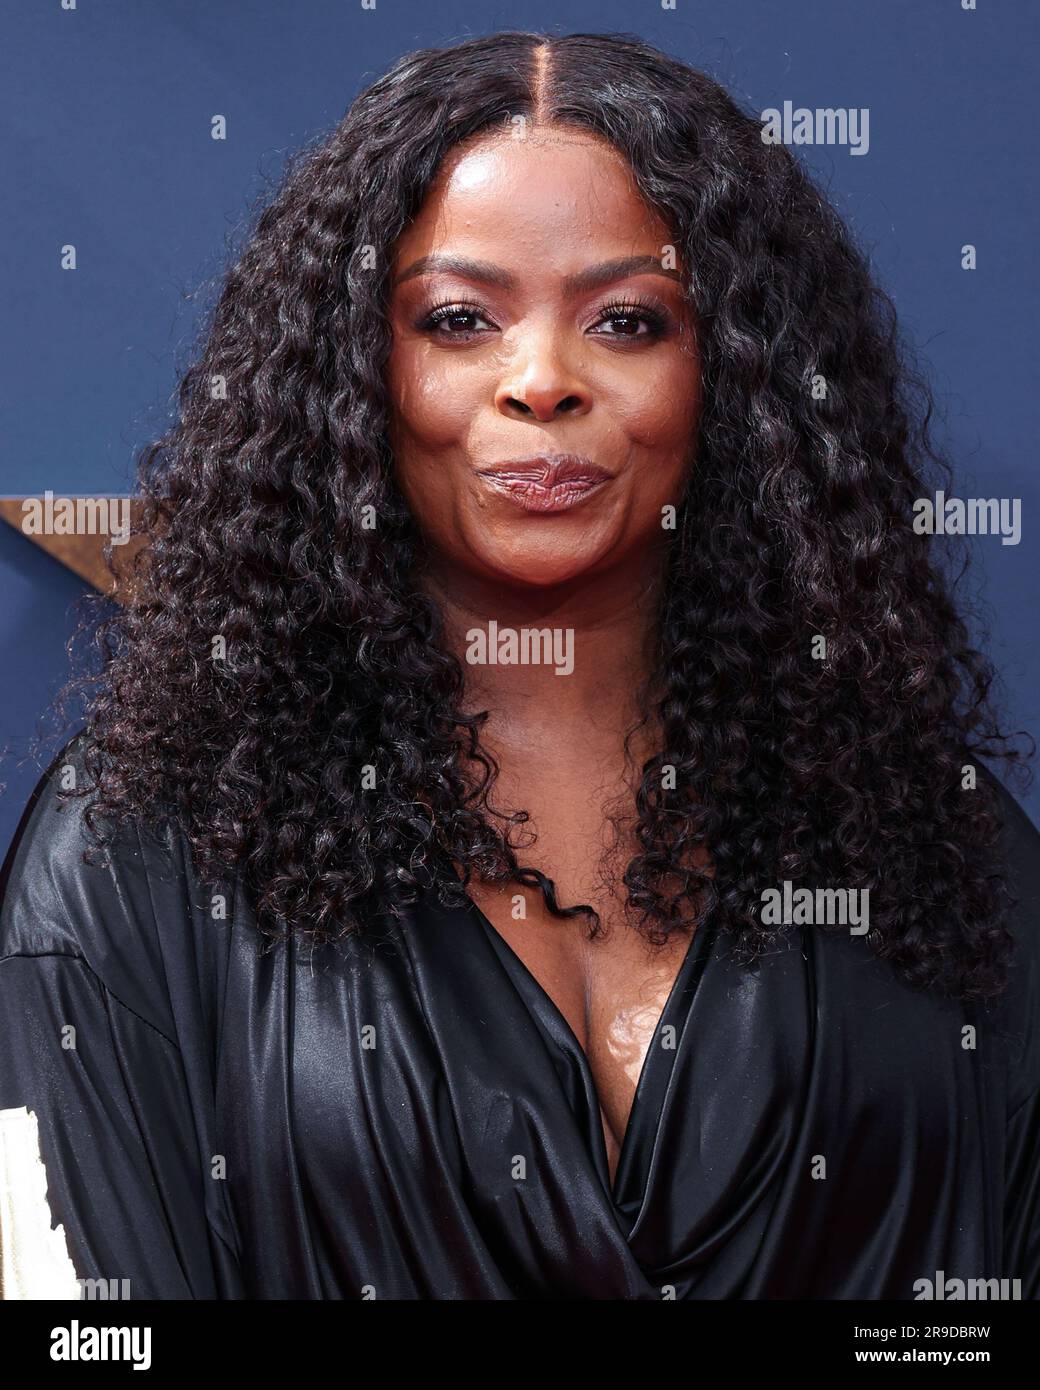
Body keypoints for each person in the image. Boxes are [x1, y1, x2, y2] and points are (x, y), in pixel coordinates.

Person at [1, 29, 1037, 1301]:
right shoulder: (137, 848)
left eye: (626, 320)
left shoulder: (935, 846)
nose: (540, 381)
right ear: (354, 368)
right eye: (457, 320)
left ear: (734, 375)